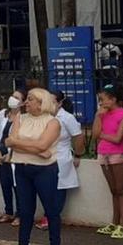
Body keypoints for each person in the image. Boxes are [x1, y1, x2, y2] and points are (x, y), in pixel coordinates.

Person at [5, 88, 64, 245]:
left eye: (30, 99)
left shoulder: (52, 122)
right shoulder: (19, 118)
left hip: (45, 170)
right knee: (25, 210)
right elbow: (9, 142)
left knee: (51, 209)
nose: (26, 102)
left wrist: (23, 144)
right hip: (22, 168)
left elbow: (43, 144)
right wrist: (37, 149)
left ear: (41, 103)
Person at [92, 84, 123, 239]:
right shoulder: (102, 114)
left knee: (121, 188)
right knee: (113, 189)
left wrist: (102, 135)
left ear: (113, 99)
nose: (101, 103)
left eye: (103, 99)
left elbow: (118, 138)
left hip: (118, 154)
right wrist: (98, 116)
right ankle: (114, 222)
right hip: (104, 152)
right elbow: (95, 134)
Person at [50, 90, 85, 229]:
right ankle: (49, 214)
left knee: (59, 187)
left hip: (62, 156)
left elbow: (78, 136)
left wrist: (78, 155)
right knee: (48, 187)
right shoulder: (45, 116)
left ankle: (54, 216)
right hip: (46, 156)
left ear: (60, 103)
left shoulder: (67, 117)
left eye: (53, 101)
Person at [0, 89, 25, 224]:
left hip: (15, 157)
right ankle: (8, 211)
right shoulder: (3, 114)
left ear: (22, 103)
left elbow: (20, 138)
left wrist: (10, 155)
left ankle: (20, 214)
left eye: (17, 97)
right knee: (5, 185)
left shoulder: (23, 118)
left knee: (17, 186)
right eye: (12, 96)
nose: (13, 99)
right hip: (2, 156)